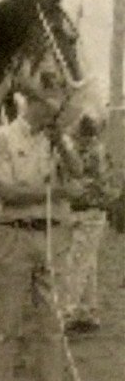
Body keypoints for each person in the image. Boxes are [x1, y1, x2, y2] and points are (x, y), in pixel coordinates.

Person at [0, 88, 84, 381]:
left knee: (52, 324)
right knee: (6, 325)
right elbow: (5, 193)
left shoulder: (55, 139)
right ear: (36, 103)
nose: (62, 113)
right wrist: (58, 193)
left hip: (51, 237)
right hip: (13, 236)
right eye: (56, 105)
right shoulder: (1, 138)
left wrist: (63, 145)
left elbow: (78, 172)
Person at [62, 117, 121, 331]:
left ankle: (66, 311)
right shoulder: (82, 147)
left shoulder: (96, 151)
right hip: (84, 209)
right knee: (87, 261)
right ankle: (88, 311)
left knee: (77, 261)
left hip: (91, 210)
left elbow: (97, 184)